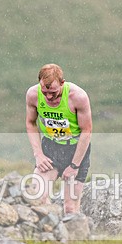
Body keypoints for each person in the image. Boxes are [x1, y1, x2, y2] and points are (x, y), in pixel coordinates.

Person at [25, 63, 92, 214]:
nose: (49, 97)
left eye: (54, 92)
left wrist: (74, 166)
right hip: (51, 148)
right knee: (38, 197)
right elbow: (30, 123)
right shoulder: (33, 94)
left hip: (76, 150)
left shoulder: (78, 97)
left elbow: (86, 131)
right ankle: (51, 230)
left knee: (70, 209)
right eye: (45, 92)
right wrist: (38, 155)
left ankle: (75, 236)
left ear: (62, 83)